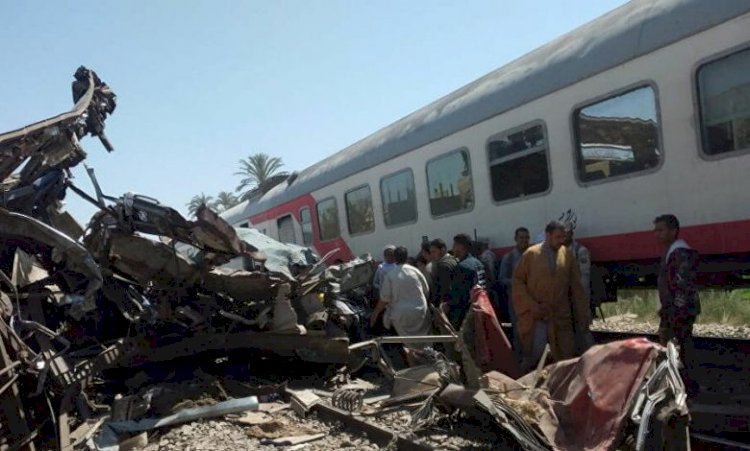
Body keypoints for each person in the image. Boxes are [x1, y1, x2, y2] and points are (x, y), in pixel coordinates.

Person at [512, 221, 590, 371]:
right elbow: (518, 281)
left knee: (565, 353)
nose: (561, 240)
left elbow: (576, 287)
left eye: (563, 237)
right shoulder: (531, 254)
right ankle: (528, 376)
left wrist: (582, 314)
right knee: (536, 352)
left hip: (560, 314)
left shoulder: (567, 254)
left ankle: (559, 378)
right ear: (547, 235)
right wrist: (532, 305)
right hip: (537, 314)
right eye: (557, 237)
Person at [653, 214, 700, 395]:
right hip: (678, 309)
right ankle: (683, 384)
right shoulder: (675, 251)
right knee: (680, 347)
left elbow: (681, 286)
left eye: (661, 230)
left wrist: (673, 311)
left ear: (674, 231)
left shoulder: (679, 253)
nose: (657, 234)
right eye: (656, 231)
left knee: (678, 348)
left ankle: (684, 386)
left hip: (678, 310)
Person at [371, 246, 432, 366]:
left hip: (401, 315)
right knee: (426, 343)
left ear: (394, 258)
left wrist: (375, 314)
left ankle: (415, 370)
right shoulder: (415, 271)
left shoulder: (390, 275)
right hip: (421, 311)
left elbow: (384, 299)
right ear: (406, 257)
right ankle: (431, 367)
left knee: (409, 346)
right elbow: (426, 290)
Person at [498, 227, 530, 354]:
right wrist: (518, 282)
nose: (524, 240)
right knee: (518, 331)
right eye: (521, 238)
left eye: (527, 238)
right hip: (516, 301)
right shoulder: (509, 258)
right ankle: (520, 358)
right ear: (516, 239)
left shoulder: (533, 255)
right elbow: (502, 279)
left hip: (532, 300)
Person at [444, 233, 486, 329]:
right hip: (482, 307)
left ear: (460, 246)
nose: (453, 248)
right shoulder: (478, 263)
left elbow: (459, 295)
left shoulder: (462, 267)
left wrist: (448, 305)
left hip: (467, 313)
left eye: (454, 245)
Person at [429, 238, 457, 308]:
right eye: (431, 252)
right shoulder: (453, 259)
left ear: (442, 250)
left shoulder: (443, 266)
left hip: (447, 306)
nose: (432, 255)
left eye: (434, 252)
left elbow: (444, 290)